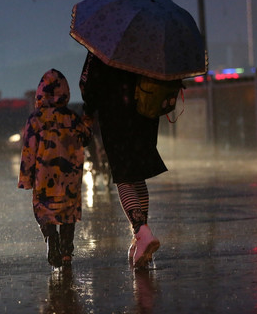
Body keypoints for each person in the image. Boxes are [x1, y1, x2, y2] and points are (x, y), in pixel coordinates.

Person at [79, 52, 166, 268]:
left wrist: (88, 111)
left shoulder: (103, 46)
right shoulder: (144, 43)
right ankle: (141, 240)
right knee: (137, 176)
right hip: (146, 114)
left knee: (124, 177)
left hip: (117, 116)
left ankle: (141, 231)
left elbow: (88, 85)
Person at [18, 69, 93, 268]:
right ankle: (67, 251)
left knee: (44, 210)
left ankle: (52, 239)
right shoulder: (72, 118)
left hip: (44, 176)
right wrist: (87, 122)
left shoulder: (36, 119)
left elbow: (28, 150)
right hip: (70, 175)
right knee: (68, 212)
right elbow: (86, 139)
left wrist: (26, 178)